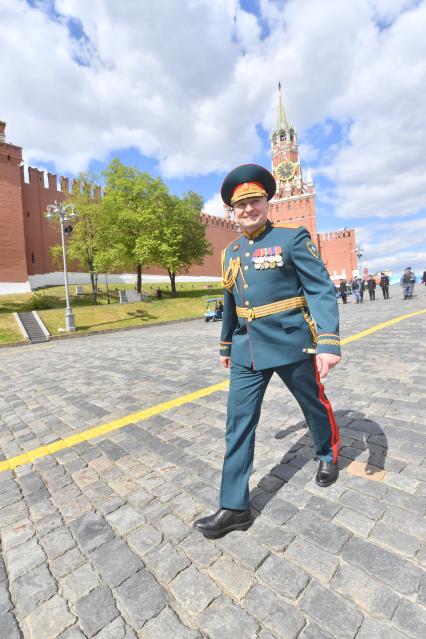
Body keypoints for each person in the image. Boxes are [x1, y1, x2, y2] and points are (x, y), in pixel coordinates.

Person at [193, 164, 341, 539]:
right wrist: (226, 344)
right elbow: (230, 302)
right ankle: (234, 506)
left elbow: (320, 289)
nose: (247, 210)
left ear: (266, 202)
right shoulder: (230, 253)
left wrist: (328, 341)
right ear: (232, 211)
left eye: (254, 201)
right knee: (237, 425)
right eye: (240, 206)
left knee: (314, 405)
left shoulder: (292, 239)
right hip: (247, 350)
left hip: (292, 342)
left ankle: (326, 454)